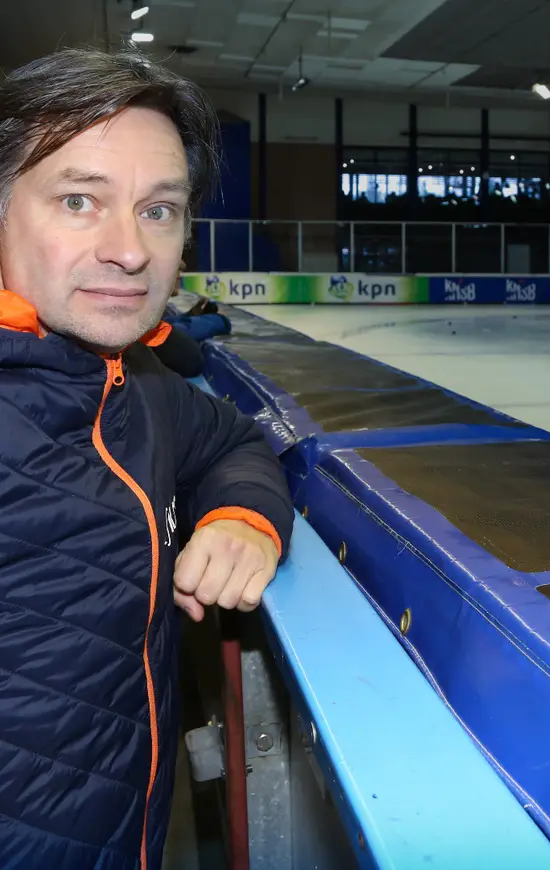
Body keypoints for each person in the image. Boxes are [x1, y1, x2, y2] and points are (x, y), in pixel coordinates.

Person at [0, 48, 294, 869]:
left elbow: (233, 440)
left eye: (158, 210)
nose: (129, 250)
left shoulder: (138, 387)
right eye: (79, 200)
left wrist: (242, 518)